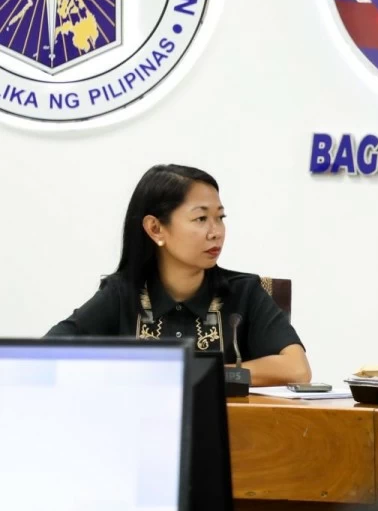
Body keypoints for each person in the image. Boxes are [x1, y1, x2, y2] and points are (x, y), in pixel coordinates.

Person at [47, 165, 311, 387]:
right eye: (201, 219)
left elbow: (297, 369)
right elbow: (50, 354)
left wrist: (197, 373)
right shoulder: (122, 293)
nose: (216, 232)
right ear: (155, 228)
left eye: (220, 217)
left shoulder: (245, 292)